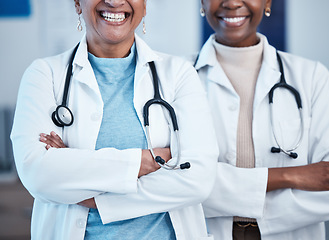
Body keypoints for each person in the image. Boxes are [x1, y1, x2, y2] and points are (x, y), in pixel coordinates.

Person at [10, 0, 218, 239]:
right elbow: (38, 174)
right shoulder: (44, 75)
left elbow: (198, 180)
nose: (115, 1)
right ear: (78, 3)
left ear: (145, 5)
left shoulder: (179, 74)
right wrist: (149, 160)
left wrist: (92, 194)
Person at [194, 0, 329, 239]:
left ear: (267, 2)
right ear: (202, 2)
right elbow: (173, 183)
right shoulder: (176, 78)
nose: (232, 3)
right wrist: (293, 176)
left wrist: (227, 200)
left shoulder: (310, 77)